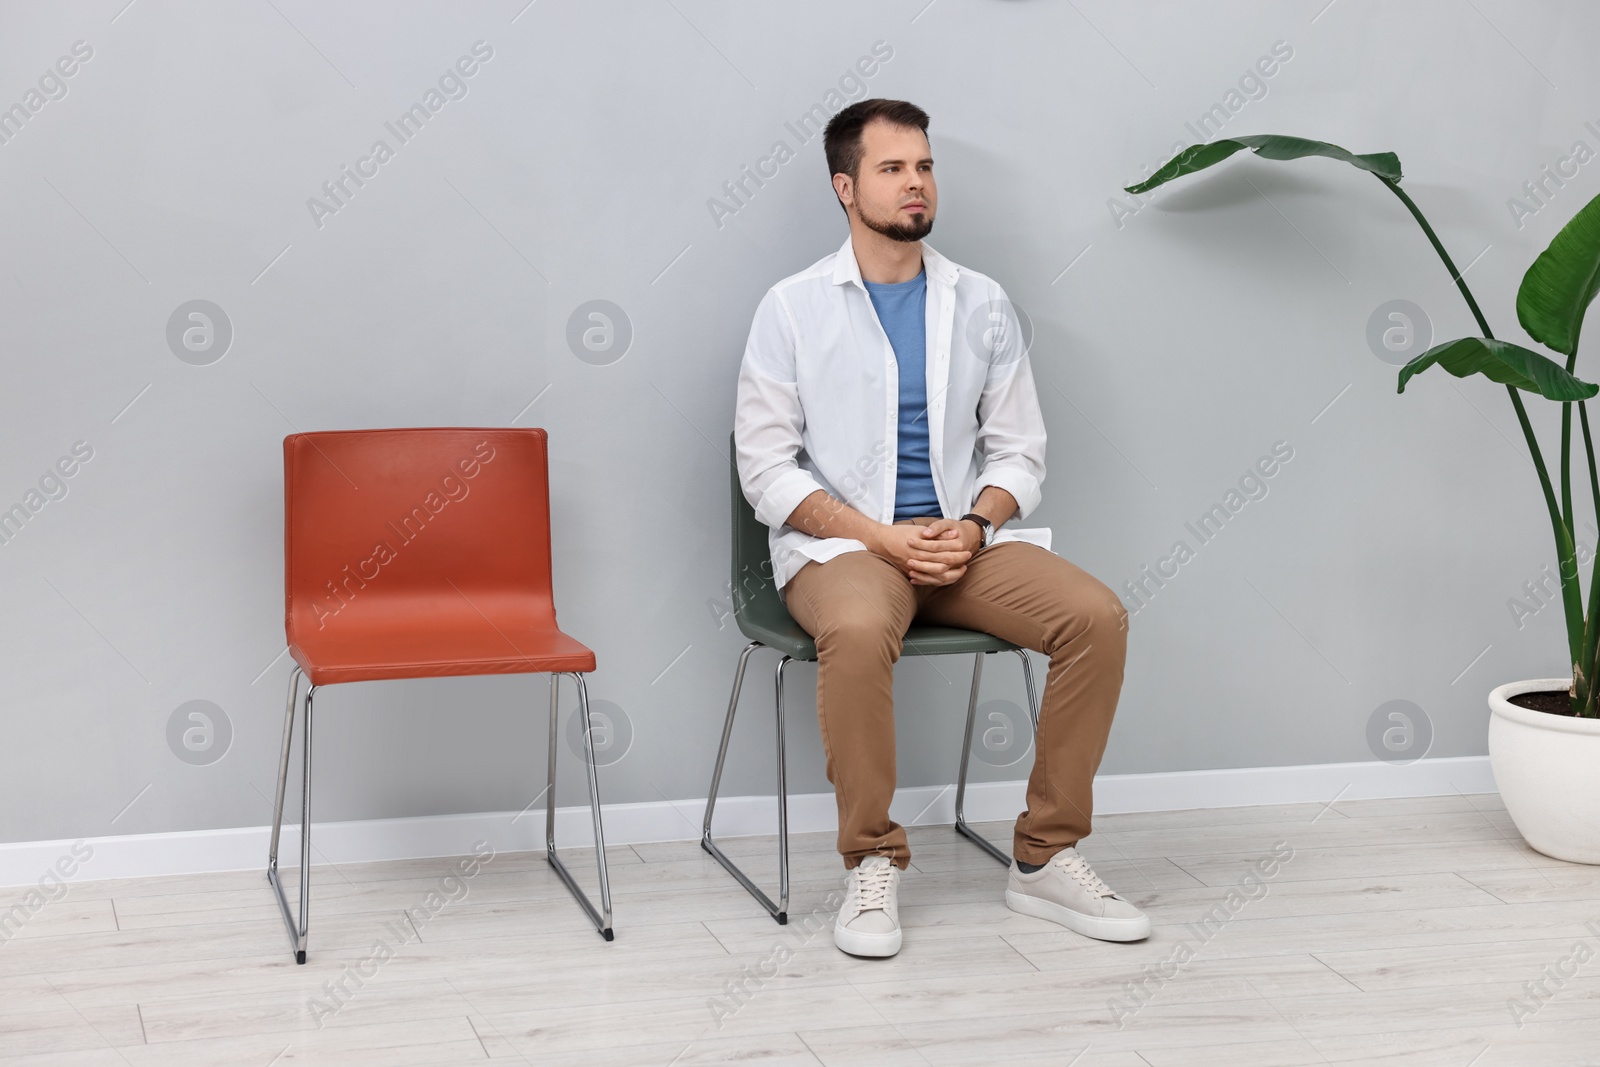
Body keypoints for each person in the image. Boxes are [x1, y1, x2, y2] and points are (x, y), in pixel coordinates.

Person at [732, 98, 1147, 958]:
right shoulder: (792, 308)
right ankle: (872, 860)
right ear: (845, 187)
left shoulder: (983, 303)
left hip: (960, 545)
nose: (915, 183)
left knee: (1095, 618)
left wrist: (973, 524)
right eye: (892, 168)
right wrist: (879, 539)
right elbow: (765, 467)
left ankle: (1045, 854)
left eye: (923, 165)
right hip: (846, 549)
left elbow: (1020, 451)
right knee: (852, 625)